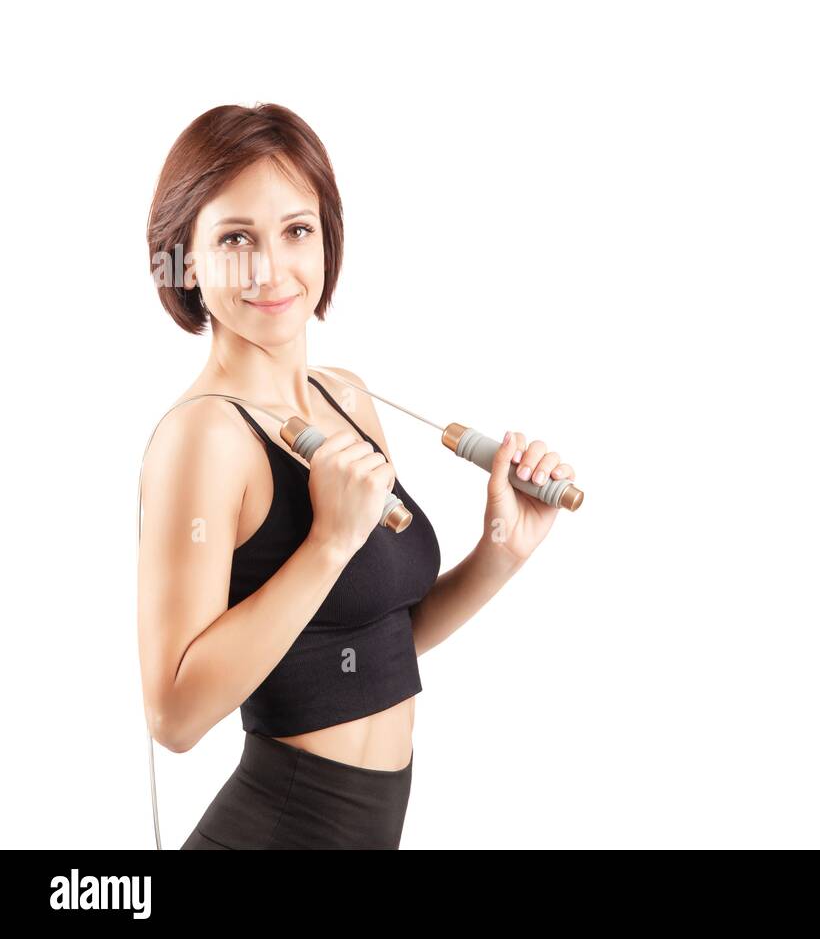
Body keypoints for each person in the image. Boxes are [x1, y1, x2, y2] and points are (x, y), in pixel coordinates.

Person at [137, 103, 575, 849]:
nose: (272, 268)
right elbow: (174, 717)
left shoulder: (347, 394)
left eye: (296, 230)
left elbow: (380, 641)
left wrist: (500, 549)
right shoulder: (204, 436)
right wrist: (327, 544)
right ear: (184, 257)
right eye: (236, 238)